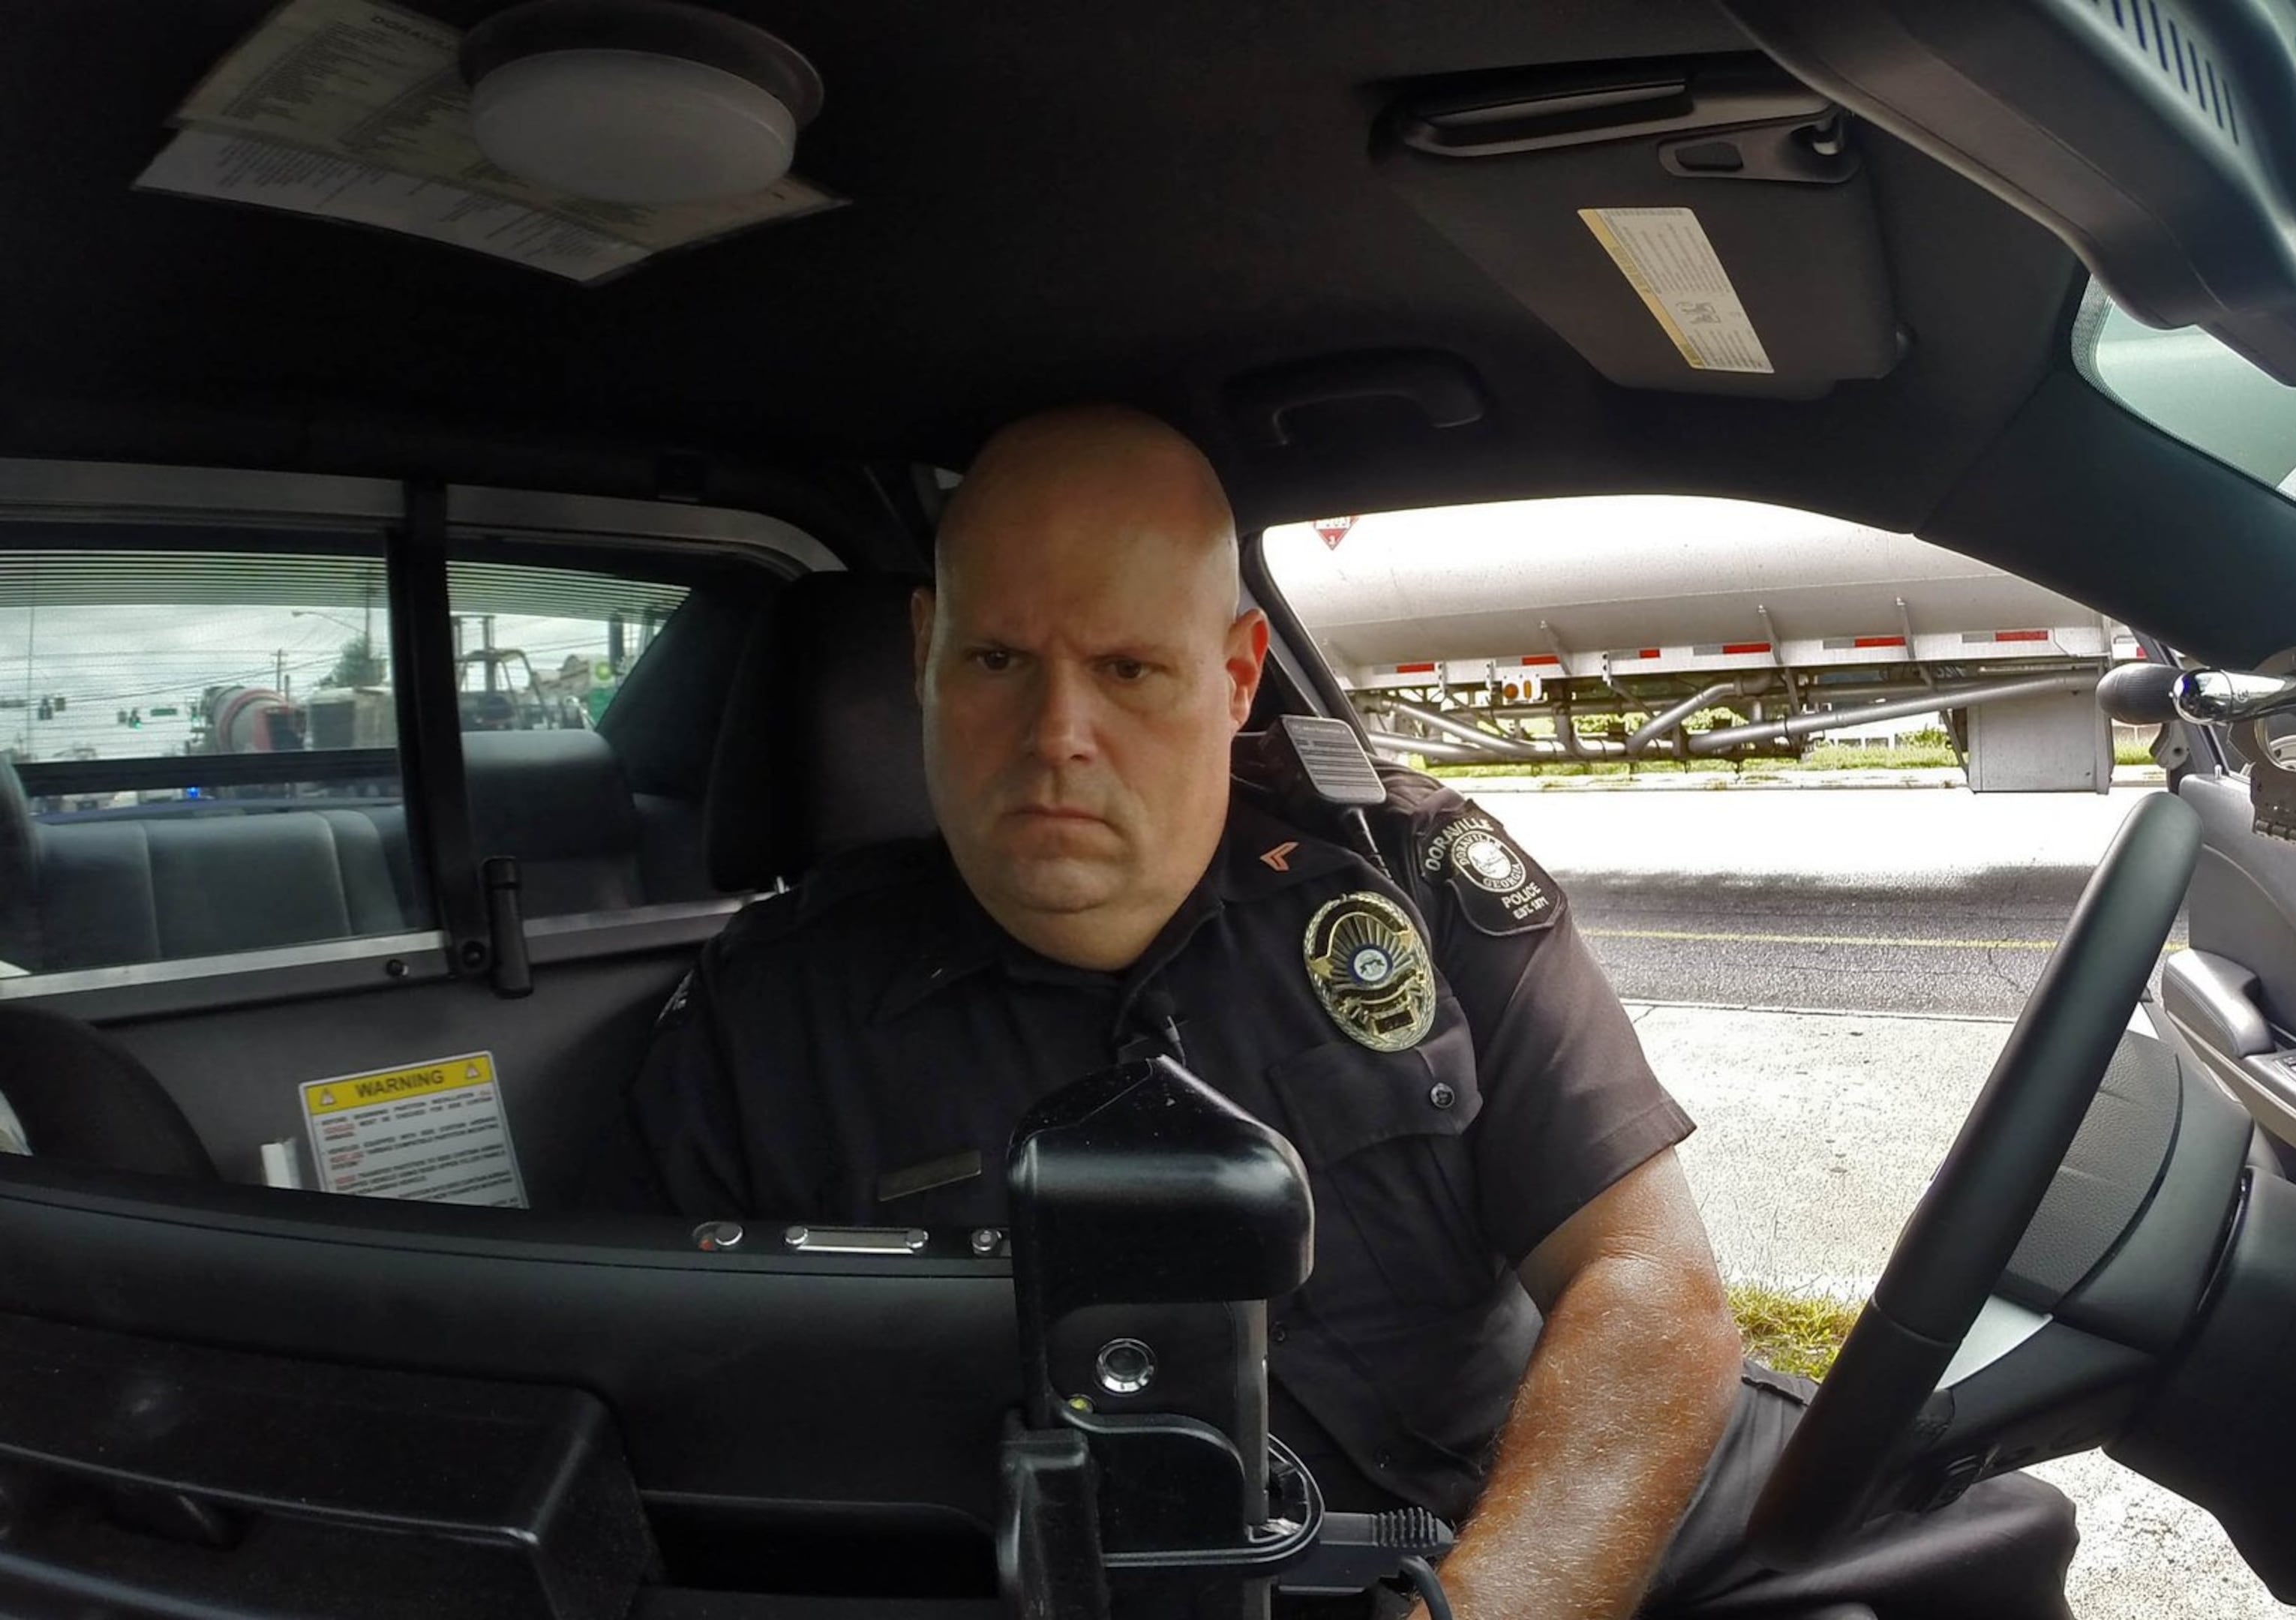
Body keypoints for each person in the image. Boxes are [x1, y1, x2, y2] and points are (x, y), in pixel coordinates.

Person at [599, 406, 2078, 1618]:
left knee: (1981, 1541)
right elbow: (689, 1465)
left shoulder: (1414, 886)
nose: (1058, 737)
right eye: (996, 661)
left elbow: (1646, 1289)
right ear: (924, 650)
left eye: (1128, 669)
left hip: (1513, 1528)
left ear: (1238, 676)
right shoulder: (763, 1027)